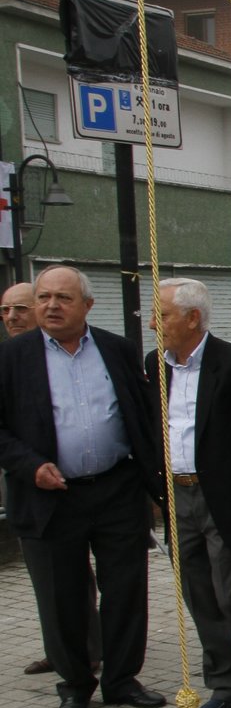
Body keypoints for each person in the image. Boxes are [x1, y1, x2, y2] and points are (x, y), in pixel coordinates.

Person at [0, 265, 164, 708]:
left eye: (63, 298)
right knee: (63, 596)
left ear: (87, 306)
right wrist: (30, 466)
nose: (51, 306)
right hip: (51, 495)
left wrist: (155, 482)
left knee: (126, 589)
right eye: (44, 297)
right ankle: (75, 684)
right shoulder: (12, 357)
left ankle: (122, 680)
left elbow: (139, 415)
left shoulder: (116, 349)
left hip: (116, 488)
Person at [146, 278, 231, 708]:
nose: (155, 323)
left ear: (193, 318)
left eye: (163, 315)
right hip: (177, 496)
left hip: (221, 497)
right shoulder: (154, 364)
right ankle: (227, 684)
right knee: (200, 596)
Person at [4, 280, 103, 678]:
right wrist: (30, 466)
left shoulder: (85, 354)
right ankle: (64, 652)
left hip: (93, 487)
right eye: (5, 310)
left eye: (20, 309)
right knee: (49, 580)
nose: (13, 317)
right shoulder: (10, 360)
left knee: (81, 580)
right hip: (36, 492)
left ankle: (90, 649)